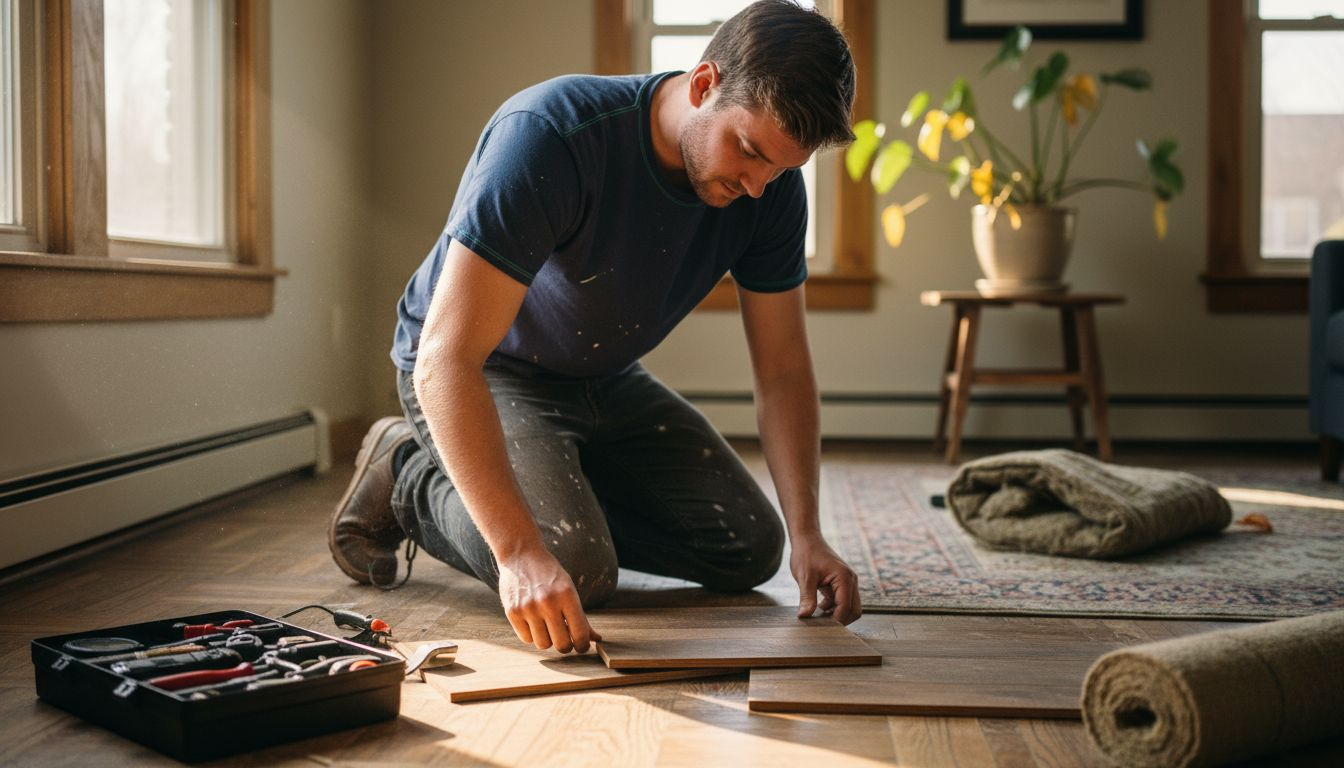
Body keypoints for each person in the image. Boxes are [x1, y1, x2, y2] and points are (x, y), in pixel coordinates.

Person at [329, 0, 861, 654]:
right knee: (574, 567)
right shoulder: (552, 134)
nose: (758, 186)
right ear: (703, 85)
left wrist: (808, 535)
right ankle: (406, 473)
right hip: (484, 368)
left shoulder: (770, 191)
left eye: (780, 168)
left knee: (750, 547)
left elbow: (782, 370)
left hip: (602, 377)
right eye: (748, 151)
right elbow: (447, 357)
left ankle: (557, 496)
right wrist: (522, 551)